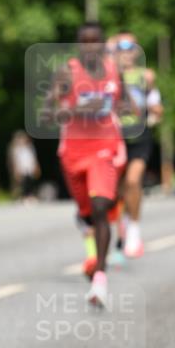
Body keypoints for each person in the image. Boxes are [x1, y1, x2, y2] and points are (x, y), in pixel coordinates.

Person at [47, 22, 133, 307]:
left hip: (104, 149)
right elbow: (48, 112)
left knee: (100, 207)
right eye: (85, 42)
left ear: (103, 44)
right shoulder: (67, 72)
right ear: (78, 44)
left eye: (96, 41)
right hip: (72, 152)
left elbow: (129, 105)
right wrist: (73, 109)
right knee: (86, 213)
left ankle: (100, 279)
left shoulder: (113, 71)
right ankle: (91, 250)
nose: (91, 47)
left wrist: (119, 107)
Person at [108, 32, 164, 259]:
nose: (126, 53)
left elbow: (157, 107)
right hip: (115, 139)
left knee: (133, 181)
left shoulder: (146, 76)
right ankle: (122, 232)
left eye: (131, 48)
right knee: (117, 192)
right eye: (121, 49)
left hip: (140, 138)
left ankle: (134, 230)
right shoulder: (108, 76)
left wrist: (153, 111)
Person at [7, 131, 40, 202]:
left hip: (29, 169)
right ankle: (21, 197)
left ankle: (30, 196)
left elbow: (33, 158)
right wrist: (15, 169)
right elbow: (15, 160)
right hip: (21, 169)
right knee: (22, 184)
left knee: (30, 182)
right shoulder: (16, 149)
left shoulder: (30, 147)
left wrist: (36, 167)